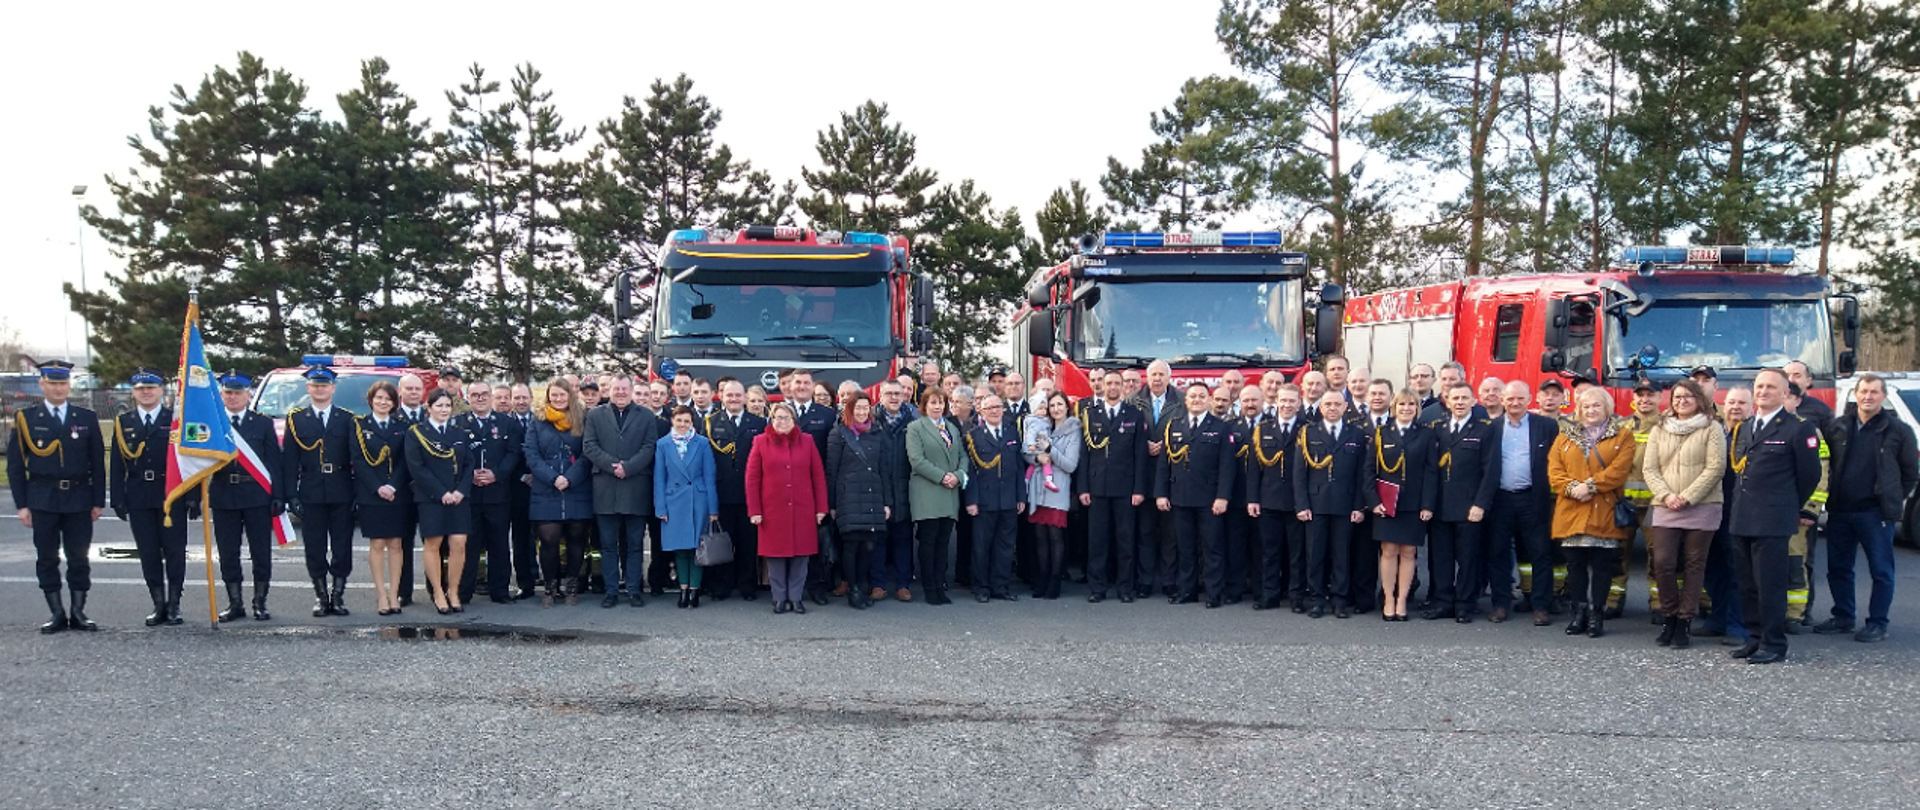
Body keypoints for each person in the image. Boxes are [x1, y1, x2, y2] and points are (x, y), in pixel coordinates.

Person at [1726, 369, 1824, 664]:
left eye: (1771, 387)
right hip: (1742, 516)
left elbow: (1810, 475)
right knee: (1746, 584)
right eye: (1759, 386)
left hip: (1773, 519)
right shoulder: (1745, 427)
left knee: (1770, 585)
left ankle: (1774, 643)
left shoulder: (1798, 429)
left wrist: (1786, 504)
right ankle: (1754, 638)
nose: (1763, 391)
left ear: (1785, 394)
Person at [1813, 373, 1918, 643]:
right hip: (1840, 510)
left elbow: (1910, 472)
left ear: (1883, 396)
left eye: (1874, 392)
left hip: (1876, 513)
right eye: (1863, 391)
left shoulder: (1898, 430)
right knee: (1838, 567)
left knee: (1881, 570)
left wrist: (1893, 499)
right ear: (1855, 395)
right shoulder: (1839, 427)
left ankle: (1878, 622)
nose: (1868, 396)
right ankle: (1844, 616)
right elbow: (1826, 464)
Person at [10, 360, 105, 633]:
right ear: (42, 384)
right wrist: (22, 505)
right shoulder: (26, 419)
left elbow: (97, 463)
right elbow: (16, 466)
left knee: (79, 557)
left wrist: (98, 500)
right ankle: (56, 612)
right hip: (42, 498)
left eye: (62, 383)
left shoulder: (86, 418)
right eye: (52, 383)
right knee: (47, 557)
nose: (58, 388)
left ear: (69, 385)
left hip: (78, 498)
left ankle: (78, 611)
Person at [1642, 378, 1727, 648]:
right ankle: (1669, 616)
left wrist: (1688, 497)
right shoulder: (1659, 428)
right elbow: (1649, 469)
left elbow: (1716, 468)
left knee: (1694, 565)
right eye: (1677, 397)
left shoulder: (1712, 427)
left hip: (1703, 505)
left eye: (1688, 397)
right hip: (1665, 504)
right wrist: (1667, 495)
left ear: (1699, 399)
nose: (1682, 401)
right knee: (1663, 563)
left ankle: (1684, 622)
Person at [1547, 386, 1637, 639]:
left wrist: (1591, 486)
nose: (1591, 410)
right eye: (1586, 406)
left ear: (1607, 408)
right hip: (1572, 509)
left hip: (1604, 510)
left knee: (1601, 566)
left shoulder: (1622, 436)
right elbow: (1554, 470)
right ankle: (1579, 613)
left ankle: (1597, 615)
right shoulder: (1564, 437)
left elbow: (1619, 471)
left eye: (1596, 405)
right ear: (1579, 409)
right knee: (1575, 565)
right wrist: (1573, 487)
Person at [279, 365, 359, 618]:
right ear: (308, 388)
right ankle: (320, 595)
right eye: (315, 385)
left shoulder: (347, 419)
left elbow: (356, 458)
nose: (320, 389)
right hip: (311, 489)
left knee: (342, 545)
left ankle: (338, 595)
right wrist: (291, 494)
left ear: (333, 388)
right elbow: (290, 460)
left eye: (324, 385)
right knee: (314, 546)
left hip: (341, 488)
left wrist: (357, 492)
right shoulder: (296, 419)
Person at [111, 368, 189, 626]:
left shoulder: (176, 420)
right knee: (148, 553)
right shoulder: (124, 423)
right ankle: (158, 605)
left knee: (175, 552)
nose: (146, 392)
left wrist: (192, 498)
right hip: (139, 496)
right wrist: (118, 498)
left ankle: (175, 604)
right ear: (134, 392)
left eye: (151, 387)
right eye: (141, 388)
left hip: (171, 495)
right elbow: (116, 464)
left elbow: (188, 461)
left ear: (160, 390)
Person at [209, 370, 283, 622]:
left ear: (248, 394)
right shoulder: (213, 424)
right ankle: (235, 603)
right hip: (223, 494)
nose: (233, 397)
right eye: (228, 392)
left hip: (256, 495)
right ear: (221, 394)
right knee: (228, 553)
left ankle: (260, 602)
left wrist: (278, 495)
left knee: (260, 552)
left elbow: (274, 461)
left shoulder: (262, 423)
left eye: (238, 392)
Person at [1157, 383, 1239, 608]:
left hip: (1209, 498)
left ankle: (1213, 592)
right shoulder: (1174, 426)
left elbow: (1227, 467)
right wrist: (1161, 494)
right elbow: (1165, 465)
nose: (1196, 400)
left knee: (1212, 547)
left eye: (1202, 396)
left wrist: (1223, 497)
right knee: (1185, 547)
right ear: (1186, 400)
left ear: (1209, 400)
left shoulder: (1221, 428)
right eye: (1192, 396)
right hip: (1180, 496)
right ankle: (1187, 590)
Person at [1292, 389, 1371, 617]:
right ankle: (1316, 599)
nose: (1332, 408)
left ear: (1345, 407)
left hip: (1345, 505)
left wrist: (1359, 506)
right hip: (1315, 505)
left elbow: (1360, 475)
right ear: (1320, 407)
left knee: (1341, 555)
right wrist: (1302, 505)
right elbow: (1300, 474)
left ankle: (1339, 600)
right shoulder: (1307, 432)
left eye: (1337, 404)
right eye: (1328, 404)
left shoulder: (1356, 434)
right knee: (1315, 555)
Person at [583, 374, 658, 608]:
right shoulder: (595, 414)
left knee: (635, 543)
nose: (621, 393)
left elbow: (650, 446)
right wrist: (612, 465)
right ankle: (611, 591)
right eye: (617, 389)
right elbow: (589, 446)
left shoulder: (645, 415)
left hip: (636, 486)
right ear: (610, 390)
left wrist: (629, 467)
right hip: (605, 487)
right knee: (607, 544)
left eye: (625, 389)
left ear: (632, 390)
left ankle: (634, 589)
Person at [1425, 381, 1497, 623]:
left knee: (1468, 559)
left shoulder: (1485, 430)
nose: (1459, 403)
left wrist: (1481, 504)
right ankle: (1443, 602)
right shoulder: (1437, 429)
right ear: (1446, 401)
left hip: (1469, 506)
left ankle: (1465, 604)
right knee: (1441, 558)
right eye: (1455, 398)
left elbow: (1491, 472)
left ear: (1473, 402)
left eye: (1464, 398)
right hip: (1440, 504)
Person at [747, 403, 828, 614]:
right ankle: (779, 598)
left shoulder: (807, 441)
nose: (781, 422)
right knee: (775, 556)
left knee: (801, 557)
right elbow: (752, 478)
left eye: (786, 418)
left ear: (794, 421)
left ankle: (796, 597)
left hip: (803, 509)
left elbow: (818, 476)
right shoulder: (760, 442)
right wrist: (755, 510)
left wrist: (821, 508)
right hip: (772, 510)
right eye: (777, 418)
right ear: (772, 420)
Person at [1077, 370, 1149, 604]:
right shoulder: (1090, 415)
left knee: (1125, 540)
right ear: (1102, 386)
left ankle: (1125, 588)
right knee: (1097, 541)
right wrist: (1083, 488)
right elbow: (1085, 455)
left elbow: (1140, 455)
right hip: (1097, 487)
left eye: (1117, 383)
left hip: (1125, 488)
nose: (1112, 387)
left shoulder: (1134, 415)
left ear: (1123, 387)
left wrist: (1139, 489)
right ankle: (1097, 588)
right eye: (1109, 383)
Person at [1491, 381, 1559, 625]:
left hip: (1532, 498)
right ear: (1502, 400)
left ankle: (1541, 606)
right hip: (1501, 499)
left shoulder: (1547, 426)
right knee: (1497, 553)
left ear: (1530, 399)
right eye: (1510, 399)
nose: (1515, 403)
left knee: (1540, 552)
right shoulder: (1492, 427)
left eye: (1520, 398)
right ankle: (1500, 604)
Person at [1368, 389, 1437, 621]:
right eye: (1402, 405)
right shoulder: (1381, 433)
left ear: (1417, 408)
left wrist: (1427, 504)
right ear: (1394, 407)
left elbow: (1430, 472)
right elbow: (1369, 470)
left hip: (1414, 503)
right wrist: (1374, 502)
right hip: (1387, 502)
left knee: (1408, 552)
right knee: (1388, 551)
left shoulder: (1426, 435)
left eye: (1411, 405)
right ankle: (1388, 598)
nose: (1406, 409)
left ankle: (1402, 600)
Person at [525, 378, 593, 607]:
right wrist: (553, 478)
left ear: (570, 396)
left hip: (576, 487)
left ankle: (572, 584)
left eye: (562, 395)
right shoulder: (538, 420)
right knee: (548, 539)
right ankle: (550, 586)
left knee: (576, 537)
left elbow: (588, 452)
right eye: (553, 395)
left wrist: (570, 478)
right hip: (546, 488)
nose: (558, 399)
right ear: (548, 396)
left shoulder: (583, 419)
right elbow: (531, 454)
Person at [405, 389, 475, 615]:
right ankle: (437, 592)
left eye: (447, 406)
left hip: (458, 498)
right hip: (431, 498)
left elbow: (468, 465)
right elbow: (417, 468)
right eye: (439, 406)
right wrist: (441, 492)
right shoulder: (416, 433)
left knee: (458, 543)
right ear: (429, 408)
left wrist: (461, 491)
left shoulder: (459, 433)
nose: (444, 410)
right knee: (433, 544)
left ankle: (453, 591)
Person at [455, 381, 521, 605]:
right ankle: (464, 592)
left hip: (498, 494)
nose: (480, 398)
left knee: (499, 545)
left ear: (491, 396)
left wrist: (497, 474)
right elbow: (454, 455)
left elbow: (513, 454)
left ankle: (500, 591)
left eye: (484, 394)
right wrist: (469, 475)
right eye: (475, 395)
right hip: (470, 494)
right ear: (468, 398)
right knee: (469, 545)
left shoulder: (507, 423)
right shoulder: (458, 423)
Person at [826, 392, 892, 609]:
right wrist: (832, 505)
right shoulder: (839, 433)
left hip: (873, 496)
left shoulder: (877, 433)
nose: (862, 412)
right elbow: (832, 472)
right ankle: (853, 589)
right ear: (850, 410)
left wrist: (886, 503)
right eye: (858, 408)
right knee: (851, 545)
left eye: (866, 408)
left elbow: (884, 470)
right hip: (849, 497)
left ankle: (861, 587)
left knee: (869, 546)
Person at [351, 381, 410, 616]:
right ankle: (381, 595)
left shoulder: (402, 426)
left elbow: (406, 461)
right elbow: (358, 459)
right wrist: (378, 487)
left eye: (388, 399)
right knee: (377, 544)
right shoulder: (359, 425)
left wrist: (393, 485)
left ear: (395, 402)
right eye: (379, 398)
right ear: (371, 401)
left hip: (398, 493)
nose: (383, 402)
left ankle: (395, 594)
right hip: (371, 493)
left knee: (396, 545)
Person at [705, 380, 767, 601]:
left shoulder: (758, 423)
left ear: (744, 397)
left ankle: (747, 585)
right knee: (723, 541)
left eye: (737, 395)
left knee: (748, 543)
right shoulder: (711, 423)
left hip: (750, 494)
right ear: (722, 397)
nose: (733, 399)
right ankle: (722, 585)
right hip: (721, 493)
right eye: (729, 395)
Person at [1247, 383, 1305, 611]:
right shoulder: (1263, 429)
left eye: (1292, 401)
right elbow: (1254, 468)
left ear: (1298, 403)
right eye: (1284, 400)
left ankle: (1296, 597)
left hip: (1296, 501)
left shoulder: (1307, 429)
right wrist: (1252, 499)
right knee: (1269, 552)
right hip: (1269, 499)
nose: (1287, 405)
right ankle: (1269, 595)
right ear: (1276, 402)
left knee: (1296, 554)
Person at [654, 406, 719, 609]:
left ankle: (694, 591)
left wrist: (713, 509)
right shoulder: (663, 444)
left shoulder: (702, 443)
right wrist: (661, 508)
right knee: (680, 549)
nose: (683, 425)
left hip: (697, 501)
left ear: (693, 423)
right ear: (673, 420)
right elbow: (659, 478)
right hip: (674, 501)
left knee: (697, 549)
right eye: (679, 420)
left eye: (687, 421)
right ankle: (683, 589)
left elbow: (710, 478)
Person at [965, 395, 1027, 602]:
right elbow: (971, 473)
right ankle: (981, 587)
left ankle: (1000, 586)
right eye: (989, 408)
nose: (994, 411)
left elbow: (1019, 468)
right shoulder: (973, 436)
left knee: (1005, 546)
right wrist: (971, 500)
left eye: (997, 407)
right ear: (981, 412)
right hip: (984, 500)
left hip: (1008, 500)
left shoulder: (1011, 432)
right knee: (981, 547)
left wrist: (1020, 496)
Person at [907, 389, 965, 605]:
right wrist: (942, 477)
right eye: (933, 402)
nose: (937, 406)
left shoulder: (951, 428)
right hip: (928, 491)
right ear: (924, 405)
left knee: (943, 542)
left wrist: (958, 476)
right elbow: (917, 460)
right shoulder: (915, 428)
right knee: (928, 542)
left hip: (950, 492)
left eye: (941, 402)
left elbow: (962, 457)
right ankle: (930, 588)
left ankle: (940, 585)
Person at [1024, 391, 1081, 600]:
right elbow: (1027, 453)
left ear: (1067, 406)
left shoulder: (1074, 430)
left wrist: (1051, 449)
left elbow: (1070, 464)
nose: (1055, 409)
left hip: (1058, 488)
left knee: (1055, 537)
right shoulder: (1042, 425)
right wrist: (1037, 458)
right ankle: (1042, 579)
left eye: (1059, 405)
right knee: (1039, 537)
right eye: (1052, 405)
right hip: (1038, 487)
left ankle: (1055, 581)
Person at [869, 380, 918, 602]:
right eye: (889, 393)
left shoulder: (914, 421)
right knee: (877, 541)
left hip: (905, 488)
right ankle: (878, 585)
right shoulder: (870, 420)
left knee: (903, 540)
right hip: (877, 488)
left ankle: (902, 585)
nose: (894, 397)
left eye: (898, 393)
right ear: (881, 396)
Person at [393, 373, 427, 605]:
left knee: (434, 541)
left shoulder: (433, 414)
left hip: (429, 489)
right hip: (402, 489)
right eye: (410, 389)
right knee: (403, 542)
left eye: (418, 389)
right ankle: (404, 591)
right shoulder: (392, 417)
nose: (414, 392)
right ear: (400, 391)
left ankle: (437, 588)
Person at [503, 382, 539, 600]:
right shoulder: (505, 424)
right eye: (517, 398)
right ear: (511, 400)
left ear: (531, 398)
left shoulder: (541, 421)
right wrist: (521, 476)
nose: (521, 401)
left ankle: (547, 579)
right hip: (516, 488)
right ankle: (525, 583)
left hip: (541, 486)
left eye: (524, 397)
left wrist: (538, 475)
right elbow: (504, 454)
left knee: (545, 537)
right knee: (520, 538)